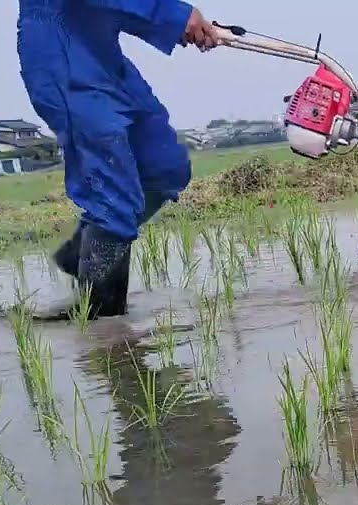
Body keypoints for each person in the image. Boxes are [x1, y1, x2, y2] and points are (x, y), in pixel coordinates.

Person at [18, 0, 223, 318]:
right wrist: (173, 15)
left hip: (101, 52)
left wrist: (176, 26)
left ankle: (83, 255)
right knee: (112, 187)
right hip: (62, 56)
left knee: (163, 165)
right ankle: (104, 328)